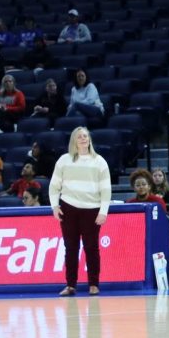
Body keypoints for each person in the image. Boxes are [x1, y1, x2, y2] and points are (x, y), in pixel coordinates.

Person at [49, 126, 112, 296]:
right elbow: (54, 186)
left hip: (92, 209)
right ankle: (70, 285)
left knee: (91, 247)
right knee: (70, 247)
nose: (83, 139)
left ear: (89, 139)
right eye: (79, 137)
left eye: (85, 136)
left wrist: (103, 212)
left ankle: (93, 284)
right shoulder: (64, 160)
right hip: (68, 208)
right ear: (74, 141)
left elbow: (106, 190)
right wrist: (55, 206)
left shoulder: (99, 161)